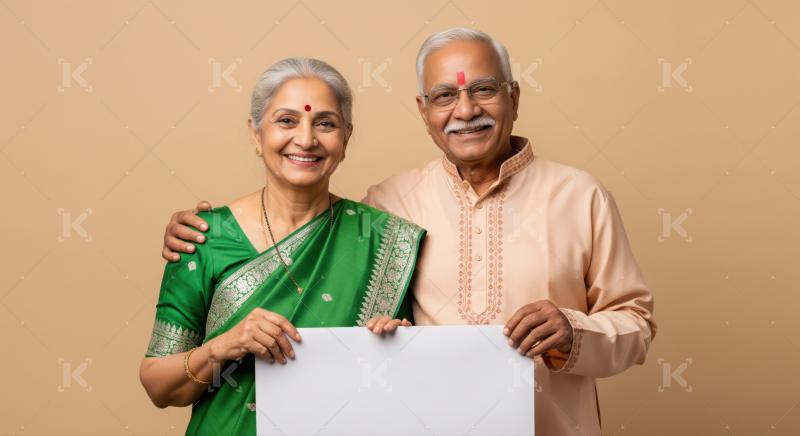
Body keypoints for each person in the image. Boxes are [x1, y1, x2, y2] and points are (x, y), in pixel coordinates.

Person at [162, 29, 656, 434]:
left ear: (514, 97)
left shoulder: (580, 196)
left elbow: (636, 324)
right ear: (424, 111)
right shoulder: (388, 205)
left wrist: (574, 330)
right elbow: (309, 240)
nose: (466, 110)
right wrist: (201, 231)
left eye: (484, 89)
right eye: (445, 95)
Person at [139, 57, 425, 436]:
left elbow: (403, 392)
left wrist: (399, 347)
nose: (306, 139)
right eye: (287, 121)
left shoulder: (384, 239)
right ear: (255, 134)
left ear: (345, 139)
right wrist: (224, 345)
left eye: (325, 123)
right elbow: (159, 386)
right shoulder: (204, 237)